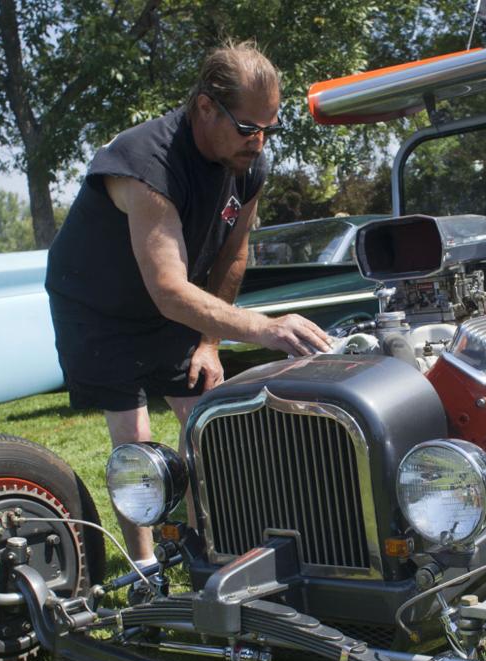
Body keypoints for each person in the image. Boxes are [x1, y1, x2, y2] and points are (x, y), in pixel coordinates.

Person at [45, 41, 330, 577]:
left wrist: (211, 341)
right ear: (205, 108)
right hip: (98, 308)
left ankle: (220, 545)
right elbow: (169, 288)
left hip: (173, 308)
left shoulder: (247, 165)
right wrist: (264, 329)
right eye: (248, 127)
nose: (260, 141)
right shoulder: (143, 163)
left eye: (270, 127)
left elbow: (234, 252)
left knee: (214, 421)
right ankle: (145, 565)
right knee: (136, 442)